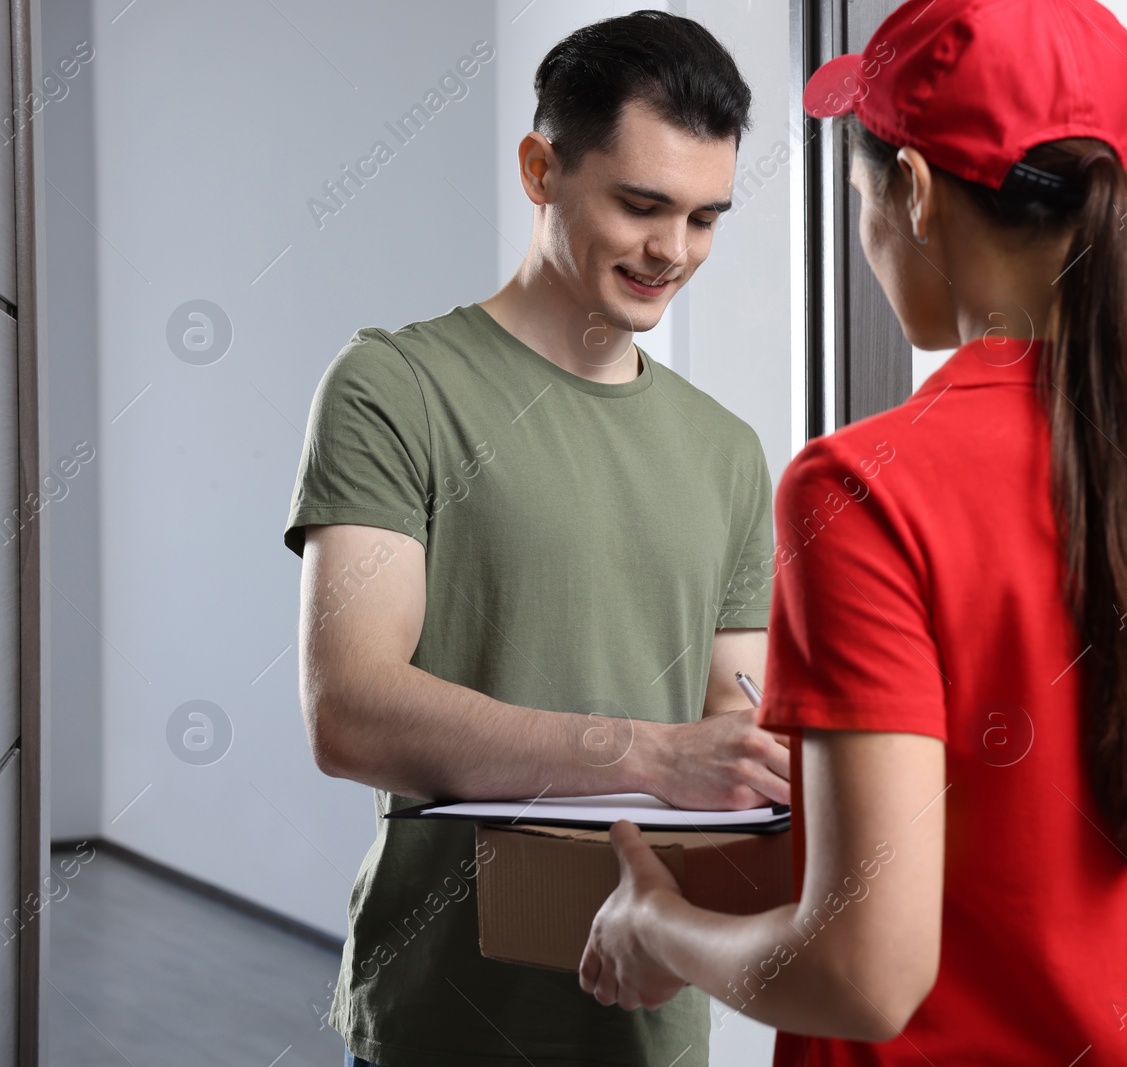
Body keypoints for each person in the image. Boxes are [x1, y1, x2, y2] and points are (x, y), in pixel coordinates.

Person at [576, 1, 1127, 1064]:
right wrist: (1095, 936)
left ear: (909, 192)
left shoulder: (862, 490)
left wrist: (658, 930)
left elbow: (864, 974)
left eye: (861, 194)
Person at [283, 12, 791, 1067]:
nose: (673, 251)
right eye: (641, 205)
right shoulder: (395, 387)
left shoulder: (730, 452)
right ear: (540, 169)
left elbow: (727, 739)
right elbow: (350, 710)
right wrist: (652, 753)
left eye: (704, 218)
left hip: (651, 1022)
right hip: (439, 1016)